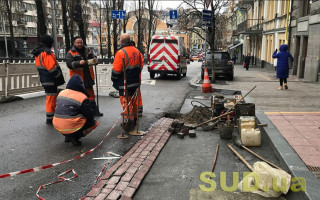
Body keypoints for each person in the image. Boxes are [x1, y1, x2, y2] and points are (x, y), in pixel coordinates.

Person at [53, 75, 99, 146]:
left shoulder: (62, 92)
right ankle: (75, 137)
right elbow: (89, 115)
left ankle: (67, 136)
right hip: (70, 127)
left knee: (68, 112)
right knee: (94, 123)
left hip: (57, 125)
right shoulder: (82, 97)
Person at [111, 34, 144, 131]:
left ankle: (128, 122)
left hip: (124, 82)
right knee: (133, 102)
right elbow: (140, 66)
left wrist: (114, 79)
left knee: (126, 102)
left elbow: (116, 70)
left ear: (121, 41)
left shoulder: (121, 52)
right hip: (135, 81)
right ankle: (134, 120)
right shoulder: (137, 51)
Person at [31, 34, 65, 124]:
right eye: (52, 43)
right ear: (49, 42)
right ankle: (50, 118)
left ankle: (51, 116)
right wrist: (58, 77)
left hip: (45, 78)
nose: (53, 45)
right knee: (51, 99)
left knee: (50, 98)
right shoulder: (47, 52)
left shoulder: (38, 52)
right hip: (50, 79)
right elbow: (52, 68)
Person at [66, 36, 103, 116]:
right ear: (74, 43)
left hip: (88, 76)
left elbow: (93, 58)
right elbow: (69, 64)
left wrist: (95, 61)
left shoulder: (88, 50)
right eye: (78, 42)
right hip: (78, 78)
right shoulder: (70, 53)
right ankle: (80, 112)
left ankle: (94, 111)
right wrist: (78, 63)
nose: (80, 44)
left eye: (81, 42)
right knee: (79, 95)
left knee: (91, 95)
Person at [129, 40, 143, 117]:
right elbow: (141, 65)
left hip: (133, 78)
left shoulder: (136, 53)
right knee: (136, 94)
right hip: (136, 78)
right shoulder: (138, 53)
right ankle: (137, 109)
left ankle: (137, 109)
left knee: (135, 94)